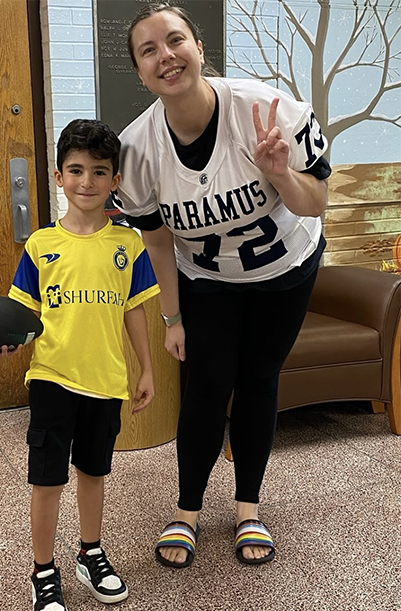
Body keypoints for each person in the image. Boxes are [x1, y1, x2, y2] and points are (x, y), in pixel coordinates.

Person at [115, 3, 331, 568]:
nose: (166, 56)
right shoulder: (137, 150)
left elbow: (317, 202)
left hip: (285, 269)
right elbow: (158, 241)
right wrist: (172, 316)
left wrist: (281, 172)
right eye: (149, 50)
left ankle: (248, 508)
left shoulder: (263, 108)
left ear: (199, 47)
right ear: (139, 73)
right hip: (206, 278)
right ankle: (186, 511)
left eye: (175, 40)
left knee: (259, 378)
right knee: (207, 386)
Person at [0, 119, 160, 609]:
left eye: (100, 171)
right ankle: (43, 571)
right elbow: (23, 316)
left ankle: (90, 552)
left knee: (93, 471)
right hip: (52, 378)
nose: (87, 182)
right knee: (47, 479)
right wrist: (4, 342)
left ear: (115, 181)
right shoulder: (41, 245)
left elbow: (134, 311)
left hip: (106, 381)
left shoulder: (128, 245)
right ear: (59, 176)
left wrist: (145, 369)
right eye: (76, 170)